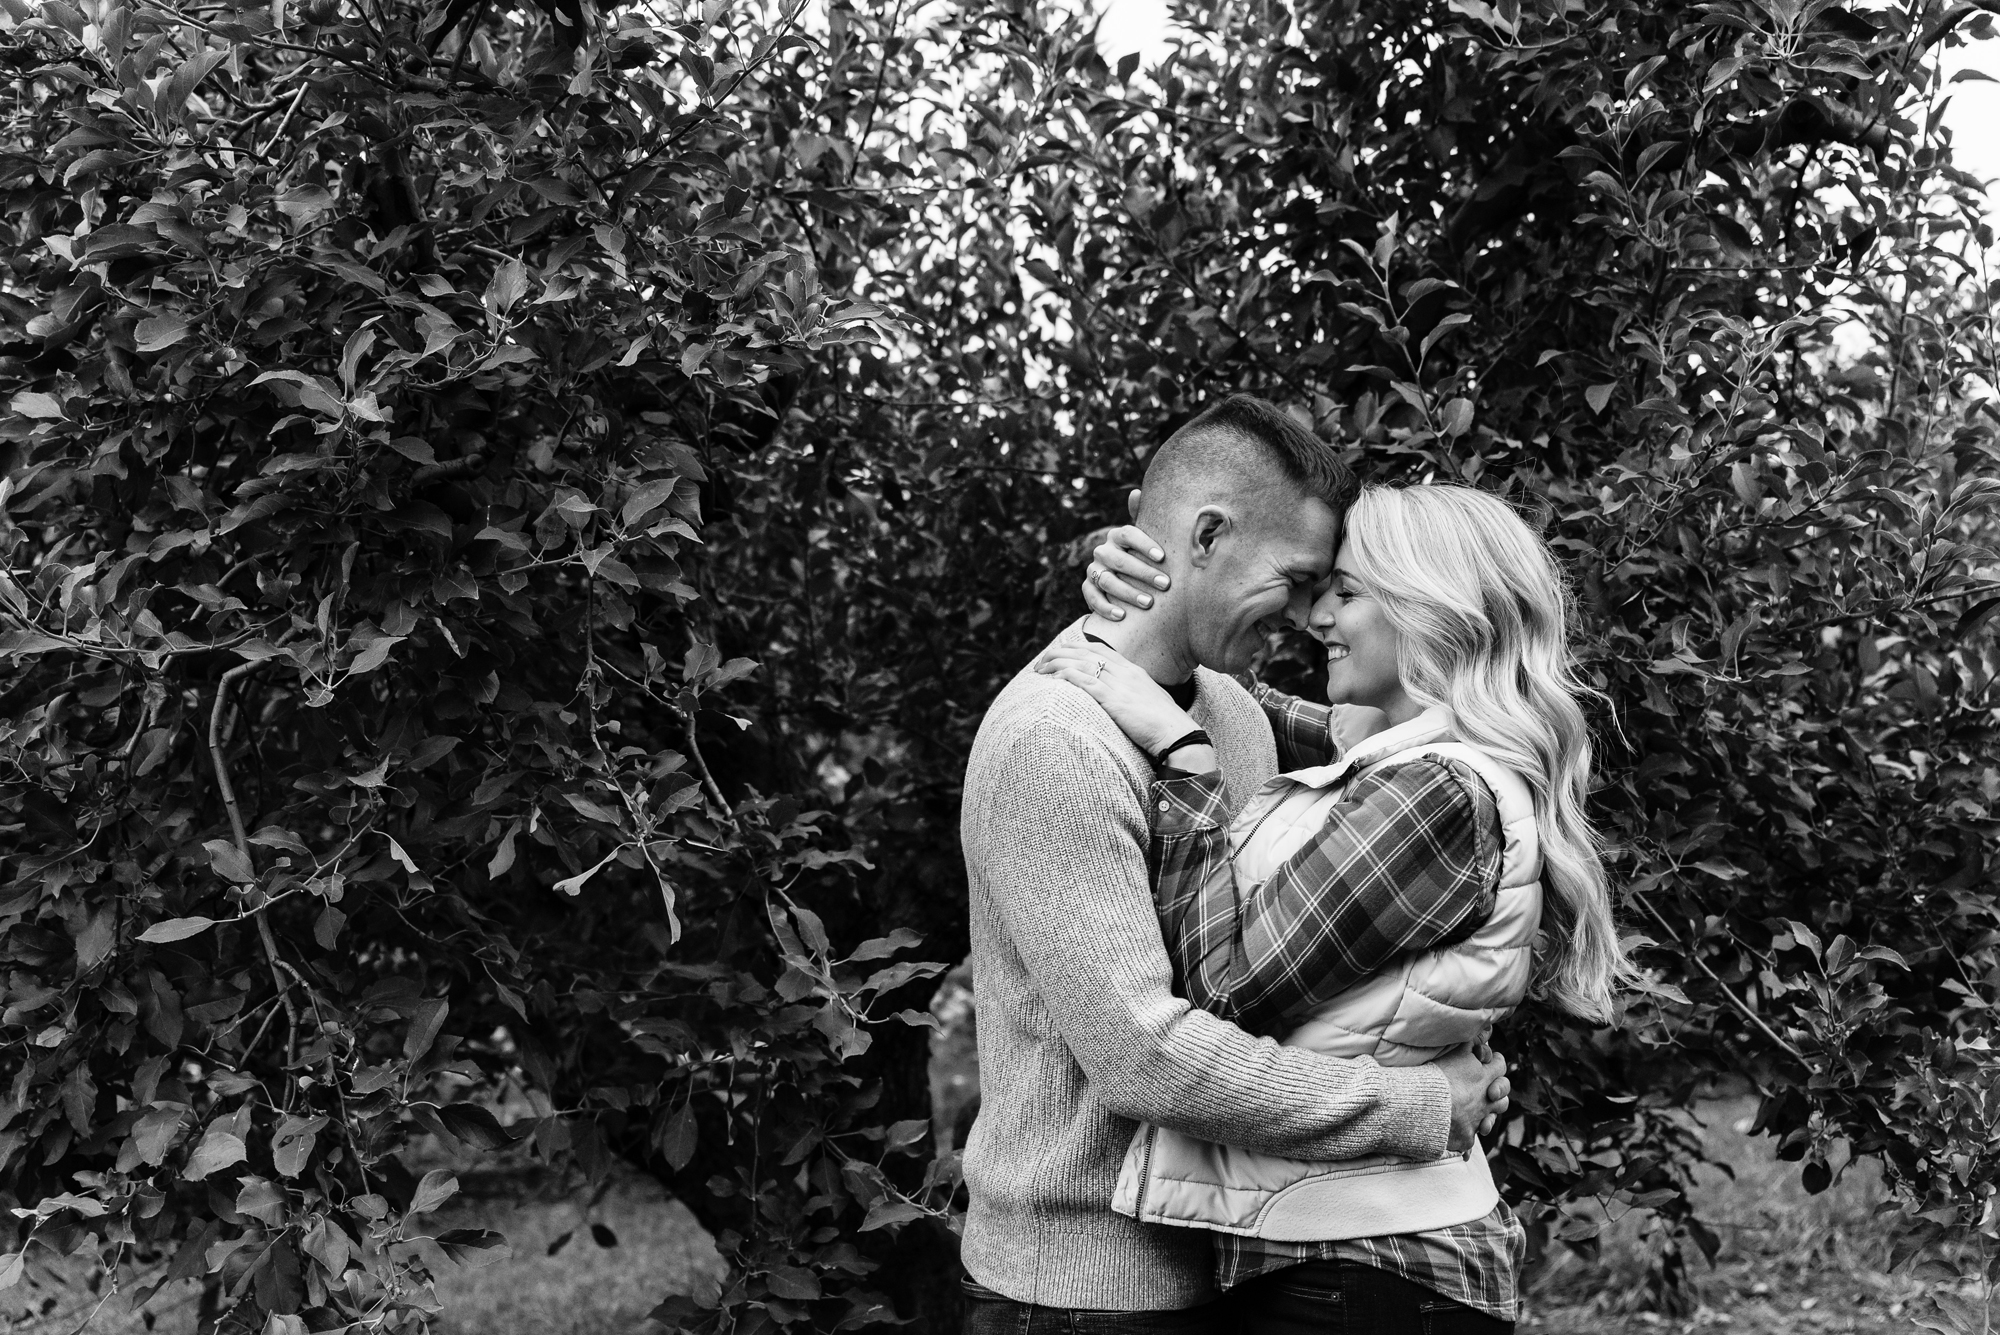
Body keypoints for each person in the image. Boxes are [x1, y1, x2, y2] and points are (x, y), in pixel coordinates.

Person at [959, 397, 1513, 1333]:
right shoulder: (1052, 742)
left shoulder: (1231, 712)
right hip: (1080, 1292)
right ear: (1207, 534)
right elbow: (1145, 1057)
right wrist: (1416, 1104)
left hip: (1217, 1263)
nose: (1306, 616)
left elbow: (1394, 754)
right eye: (1295, 580)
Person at [1040, 481, 1629, 1334]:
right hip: (1339, 1259)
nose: (1318, 614)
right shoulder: (1401, 764)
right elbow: (1221, 687)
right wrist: (1154, 580)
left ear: (1434, 614)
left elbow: (1224, 989)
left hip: (1364, 1269)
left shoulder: (1437, 798)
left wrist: (1183, 756)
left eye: (1347, 592)